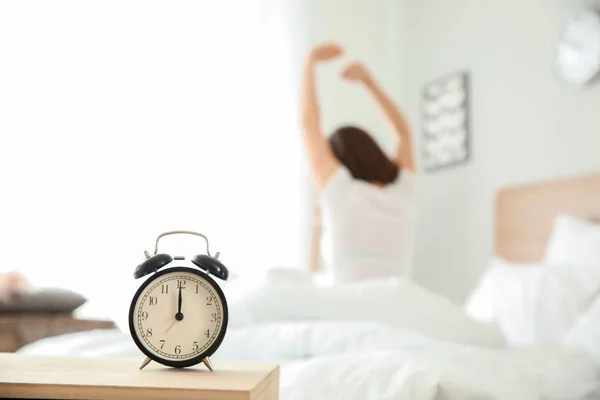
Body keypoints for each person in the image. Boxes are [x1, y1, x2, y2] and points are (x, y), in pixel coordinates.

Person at [300, 42, 417, 282]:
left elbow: (308, 125)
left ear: (338, 159)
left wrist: (309, 62)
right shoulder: (404, 190)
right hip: (396, 306)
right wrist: (368, 82)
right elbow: (403, 133)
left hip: (346, 307)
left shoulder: (339, 189)